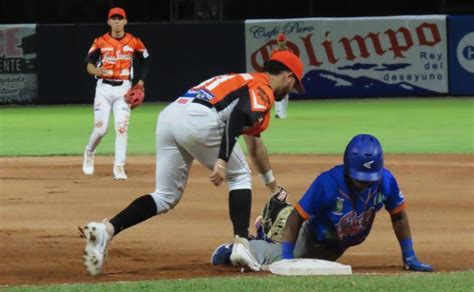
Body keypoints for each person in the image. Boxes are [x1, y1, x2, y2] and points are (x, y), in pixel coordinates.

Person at [79, 50, 305, 276]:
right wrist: (222, 160)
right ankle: (241, 244)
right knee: (240, 176)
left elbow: (255, 145)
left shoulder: (244, 80)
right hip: (200, 119)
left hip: (171, 116)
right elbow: (237, 117)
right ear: (287, 76)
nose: (291, 91)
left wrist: (272, 187)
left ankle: (106, 231)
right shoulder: (262, 89)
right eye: (294, 84)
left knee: (165, 196)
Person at [211, 134, 434, 273]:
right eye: (359, 178)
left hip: (336, 244)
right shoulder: (328, 182)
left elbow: (399, 215)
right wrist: (288, 259)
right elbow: (298, 216)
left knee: (316, 270)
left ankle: (268, 228)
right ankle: (241, 246)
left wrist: (409, 255)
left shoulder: (386, 181)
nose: (364, 185)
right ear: (348, 169)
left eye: (369, 180)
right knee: (274, 260)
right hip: (311, 237)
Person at [82, 7, 150, 180]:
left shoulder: (134, 41)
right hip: (103, 89)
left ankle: (119, 166)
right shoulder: (100, 41)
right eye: (114, 18)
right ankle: (89, 152)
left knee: (121, 128)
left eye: (120, 18)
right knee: (100, 130)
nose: (117, 21)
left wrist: (140, 82)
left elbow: (146, 60)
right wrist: (96, 71)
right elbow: (89, 63)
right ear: (109, 22)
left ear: (125, 21)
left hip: (124, 90)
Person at [272, 33, 292, 119]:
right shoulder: (274, 52)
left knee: (285, 94)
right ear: (277, 41)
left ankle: (283, 112)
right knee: (277, 93)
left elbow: (292, 63)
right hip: (277, 74)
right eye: (280, 41)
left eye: (282, 41)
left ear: (285, 41)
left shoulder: (289, 51)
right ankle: (278, 112)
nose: (281, 42)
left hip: (286, 74)